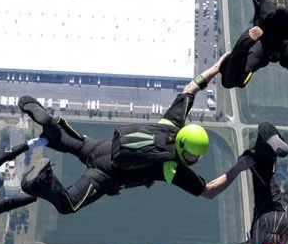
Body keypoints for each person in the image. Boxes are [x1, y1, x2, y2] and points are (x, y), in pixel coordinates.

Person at [16, 85, 221, 215]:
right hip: (104, 174)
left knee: (69, 142)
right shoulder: (171, 167)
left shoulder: (170, 125)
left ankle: (52, 127)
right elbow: (208, 191)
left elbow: (190, 89)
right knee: (67, 204)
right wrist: (237, 168)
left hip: (102, 148)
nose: (194, 159)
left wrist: (219, 66)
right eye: (193, 155)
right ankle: (43, 179)